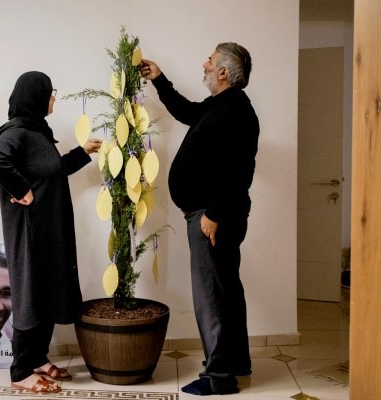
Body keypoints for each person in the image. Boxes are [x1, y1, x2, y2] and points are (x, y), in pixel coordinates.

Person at [140, 43, 259, 396]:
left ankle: (220, 377)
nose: (204, 65)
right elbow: (185, 111)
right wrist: (160, 80)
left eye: (209, 61)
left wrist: (213, 213)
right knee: (226, 290)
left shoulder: (237, 109)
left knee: (211, 295)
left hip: (213, 216)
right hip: (211, 213)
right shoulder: (220, 106)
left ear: (223, 71)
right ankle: (237, 362)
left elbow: (240, 168)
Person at [0, 71, 101, 393]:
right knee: (31, 294)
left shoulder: (38, 132)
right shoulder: (17, 131)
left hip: (50, 230)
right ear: (35, 97)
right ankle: (21, 371)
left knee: (48, 289)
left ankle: (37, 358)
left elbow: (52, 170)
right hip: (31, 231)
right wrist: (22, 190)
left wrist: (83, 151)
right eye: (50, 93)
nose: (54, 98)